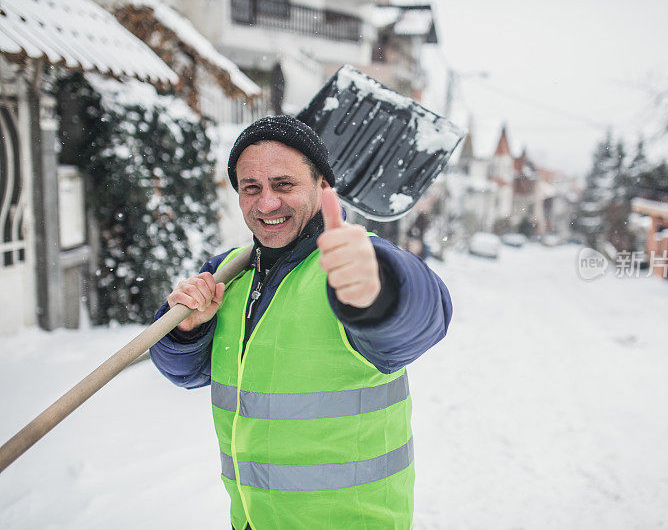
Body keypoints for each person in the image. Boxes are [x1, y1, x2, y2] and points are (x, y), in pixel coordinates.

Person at [149, 115, 452, 530]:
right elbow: (183, 373)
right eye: (250, 188)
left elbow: (424, 320)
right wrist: (188, 330)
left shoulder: (352, 263)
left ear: (322, 187)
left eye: (284, 184)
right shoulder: (227, 274)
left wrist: (378, 293)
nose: (266, 202)